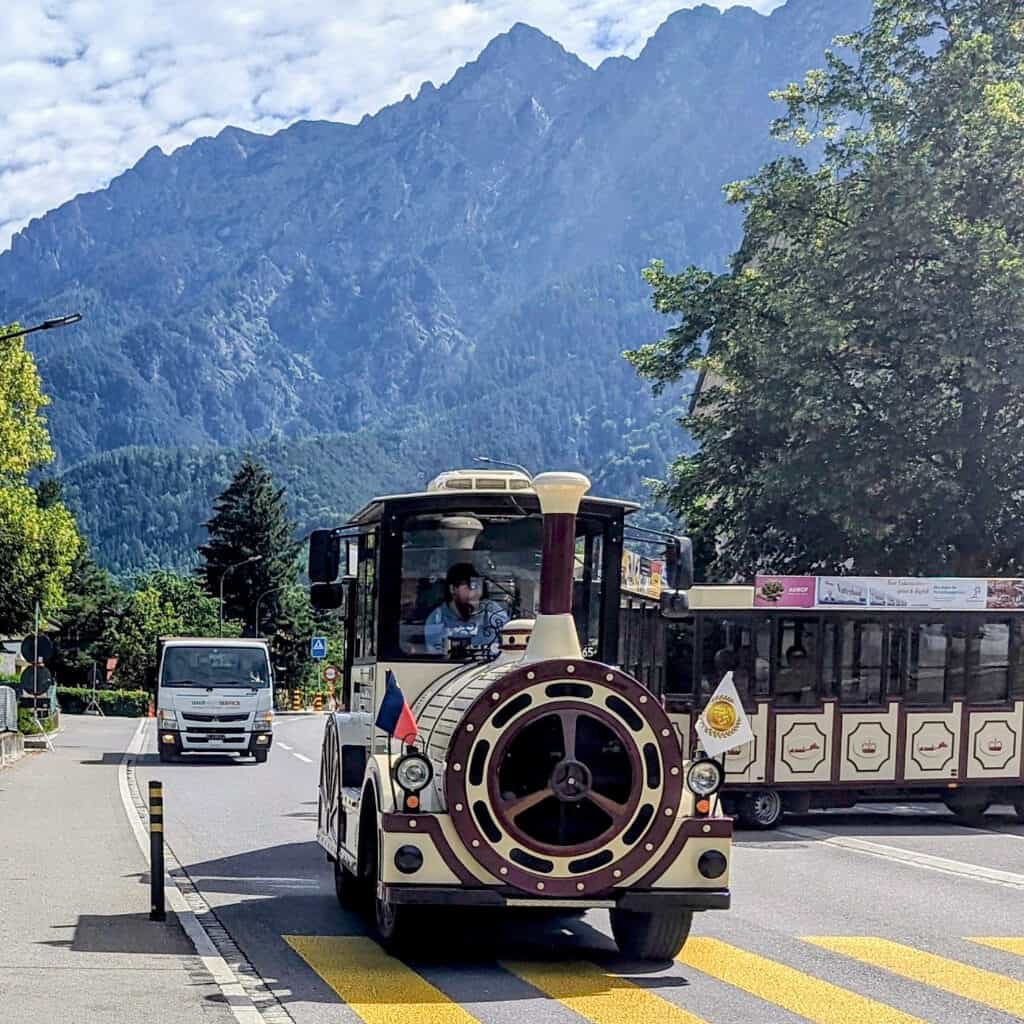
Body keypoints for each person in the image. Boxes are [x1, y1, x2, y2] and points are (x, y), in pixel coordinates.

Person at [424, 562, 509, 656]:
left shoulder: (495, 613)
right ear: (452, 589)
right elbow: (437, 657)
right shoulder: (437, 619)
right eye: (470, 586)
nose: (476, 593)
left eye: (479, 586)